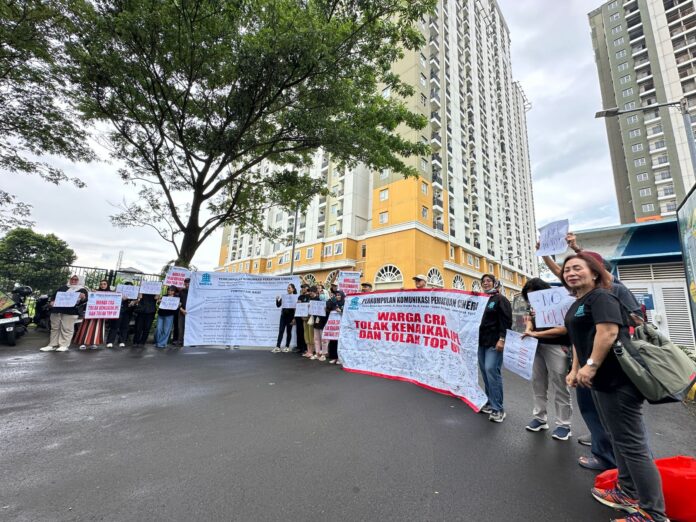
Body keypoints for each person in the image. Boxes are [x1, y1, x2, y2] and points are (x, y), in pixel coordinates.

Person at [562, 253, 668, 522]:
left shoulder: (602, 296)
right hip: (599, 381)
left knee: (632, 445)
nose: (571, 273)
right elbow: (578, 339)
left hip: (618, 380)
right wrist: (575, 369)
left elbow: (608, 332)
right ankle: (628, 492)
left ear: (595, 273)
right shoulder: (579, 302)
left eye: (577, 268)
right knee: (616, 437)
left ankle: (653, 513)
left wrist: (591, 365)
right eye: (567, 270)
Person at [520, 278, 573, 440]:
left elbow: (563, 330)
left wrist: (535, 334)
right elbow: (530, 321)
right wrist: (529, 330)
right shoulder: (534, 306)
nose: (531, 299)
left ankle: (564, 425)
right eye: (528, 296)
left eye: (534, 295)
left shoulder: (560, 304)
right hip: (536, 347)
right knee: (538, 383)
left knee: (560, 385)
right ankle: (539, 418)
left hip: (557, 346)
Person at [477, 273, 512, 423]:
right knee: (485, 372)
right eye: (483, 281)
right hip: (481, 342)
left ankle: (498, 408)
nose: (485, 283)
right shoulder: (481, 300)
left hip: (494, 342)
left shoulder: (500, 299)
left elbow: (506, 321)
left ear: (494, 283)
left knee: (491, 370)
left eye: (488, 281)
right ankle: (490, 402)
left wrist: (502, 339)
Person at [40, 275, 89, 352]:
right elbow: (54, 296)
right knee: (54, 328)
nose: (73, 281)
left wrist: (83, 298)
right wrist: (52, 301)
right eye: (72, 279)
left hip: (70, 312)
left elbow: (84, 301)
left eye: (76, 279)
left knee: (67, 329)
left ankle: (64, 345)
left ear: (79, 281)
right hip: (57, 310)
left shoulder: (82, 290)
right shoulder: (63, 288)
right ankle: (52, 344)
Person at [74, 279, 111, 350]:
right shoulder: (95, 292)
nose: (102, 285)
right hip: (91, 313)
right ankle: (83, 343)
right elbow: (86, 301)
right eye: (101, 284)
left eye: (104, 284)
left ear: (107, 285)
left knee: (97, 328)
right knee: (86, 327)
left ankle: (93, 343)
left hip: (101, 314)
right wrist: (92, 294)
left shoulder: (111, 294)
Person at [106, 282, 136, 348]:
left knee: (125, 326)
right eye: (127, 287)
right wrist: (121, 298)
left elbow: (136, 301)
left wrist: (134, 302)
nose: (129, 288)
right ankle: (110, 341)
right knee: (114, 326)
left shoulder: (134, 294)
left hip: (128, 311)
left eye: (130, 287)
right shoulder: (118, 292)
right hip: (118, 310)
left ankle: (122, 341)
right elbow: (113, 298)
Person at [274, 283, 297, 353]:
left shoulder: (295, 297)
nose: (288, 289)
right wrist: (277, 299)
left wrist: (294, 318)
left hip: (290, 317)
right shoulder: (284, 297)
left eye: (289, 288)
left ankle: (287, 346)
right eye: (287, 288)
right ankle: (278, 346)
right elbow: (278, 305)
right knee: (281, 330)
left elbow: (296, 309)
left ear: (293, 289)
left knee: (288, 331)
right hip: (283, 316)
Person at [326, 290, 345, 364]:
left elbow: (347, 314)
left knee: (340, 342)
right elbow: (328, 309)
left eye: (339, 295)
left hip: (341, 326)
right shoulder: (333, 303)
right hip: (334, 326)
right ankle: (334, 357)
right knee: (333, 341)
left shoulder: (345, 303)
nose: (338, 296)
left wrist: (341, 311)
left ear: (342, 296)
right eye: (336, 295)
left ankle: (340, 358)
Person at [310, 286, 328, 361]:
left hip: (324, 323)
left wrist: (327, 309)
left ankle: (324, 354)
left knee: (324, 339)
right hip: (316, 322)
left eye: (323, 293)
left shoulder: (328, 302)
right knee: (316, 338)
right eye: (320, 293)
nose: (321, 294)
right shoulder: (316, 300)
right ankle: (317, 353)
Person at [294, 284, 309, 355]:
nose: (302, 289)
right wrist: (298, 303)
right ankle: (299, 347)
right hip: (299, 316)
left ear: (307, 288)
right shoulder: (300, 296)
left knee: (305, 332)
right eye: (302, 288)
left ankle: (305, 348)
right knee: (299, 331)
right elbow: (297, 307)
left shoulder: (309, 296)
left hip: (306, 317)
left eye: (304, 287)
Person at [301, 286, 316, 358]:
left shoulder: (316, 299)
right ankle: (308, 350)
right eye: (309, 291)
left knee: (311, 334)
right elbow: (303, 307)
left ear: (315, 292)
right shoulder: (306, 298)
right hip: (305, 318)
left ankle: (311, 351)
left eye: (311, 291)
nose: (310, 293)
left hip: (311, 319)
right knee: (306, 334)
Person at [176, 278, 190, 346]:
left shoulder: (195, 291)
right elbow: (178, 302)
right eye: (185, 284)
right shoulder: (181, 291)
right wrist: (181, 309)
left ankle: (190, 341)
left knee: (190, 327)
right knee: (181, 327)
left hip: (191, 313)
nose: (187, 285)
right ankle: (180, 341)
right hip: (182, 311)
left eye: (188, 284)